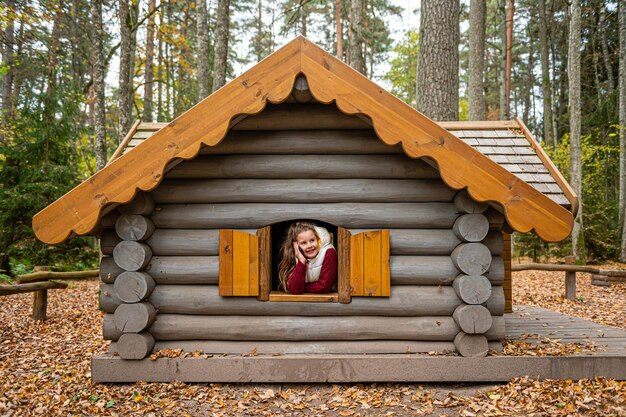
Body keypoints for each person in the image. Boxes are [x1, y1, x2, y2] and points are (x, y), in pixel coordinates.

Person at [278, 221, 338, 294]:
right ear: (296, 246)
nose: (309, 246)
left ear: (318, 240)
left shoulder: (329, 252)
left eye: (312, 240)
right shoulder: (296, 256)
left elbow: (324, 287)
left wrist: (303, 287)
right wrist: (302, 262)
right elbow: (295, 290)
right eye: (304, 243)